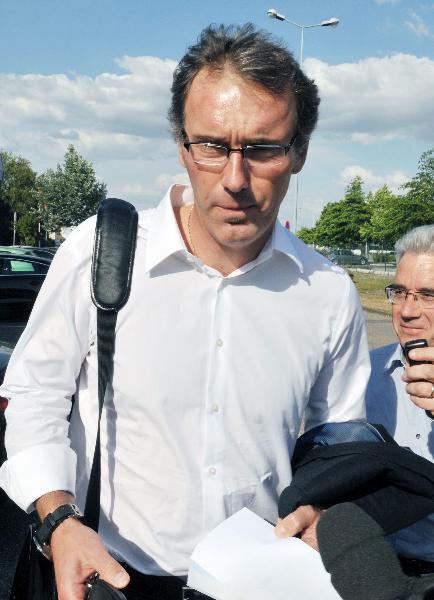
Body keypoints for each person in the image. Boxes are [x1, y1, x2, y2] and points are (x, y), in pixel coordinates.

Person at [0, 23, 370, 600]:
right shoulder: (100, 254)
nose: (235, 179)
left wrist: (324, 506)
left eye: (264, 148)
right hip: (111, 579)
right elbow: (34, 396)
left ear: (299, 153)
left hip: (261, 584)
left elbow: (338, 441)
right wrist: (58, 522)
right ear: (182, 146)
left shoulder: (327, 291)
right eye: (213, 146)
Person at [366, 224, 434, 576]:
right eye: (400, 292)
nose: (407, 310)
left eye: (427, 295)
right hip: (376, 572)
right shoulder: (361, 374)